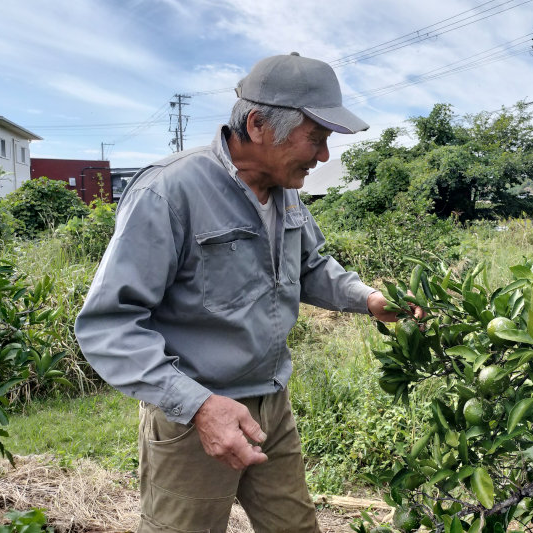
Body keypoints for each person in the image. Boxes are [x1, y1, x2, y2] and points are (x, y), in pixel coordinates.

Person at [74, 52, 415, 533]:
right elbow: (109, 324)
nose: (323, 156)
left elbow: (311, 267)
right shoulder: (169, 192)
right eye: (315, 138)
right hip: (195, 414)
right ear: (258, 125)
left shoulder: (285, 188)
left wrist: (371, 299)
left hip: (272, 405)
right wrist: (198, 407)